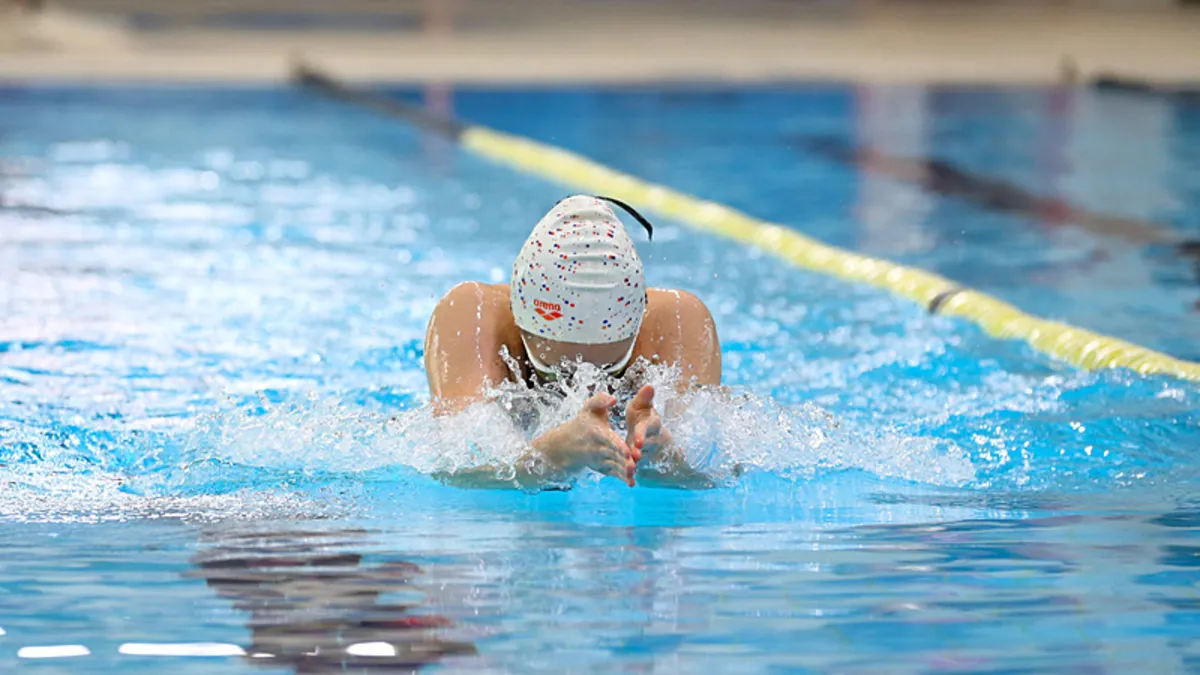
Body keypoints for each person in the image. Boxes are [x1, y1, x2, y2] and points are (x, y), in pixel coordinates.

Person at [423, 195, 721, 488]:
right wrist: (547, 458)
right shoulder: (472, 317)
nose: (586, 386)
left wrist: (665, 461)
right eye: (557, 374)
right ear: (516, 314)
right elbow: (460, 473)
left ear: (640, 319)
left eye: (611, 369)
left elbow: (707, 476)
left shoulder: (678, 324)